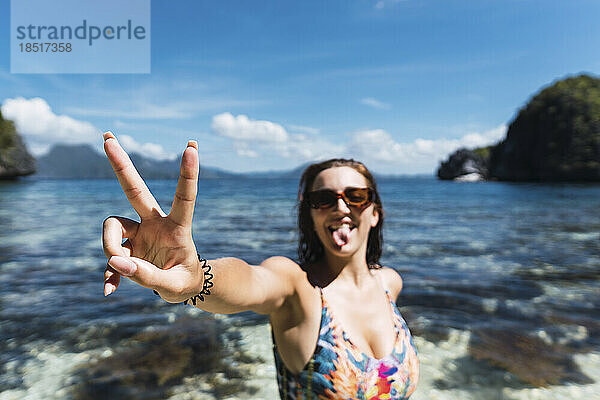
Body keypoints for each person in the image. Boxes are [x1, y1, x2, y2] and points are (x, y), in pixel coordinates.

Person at [101, 131, 419, 399]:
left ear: (375, 212)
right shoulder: (298, 287)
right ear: (310, 215)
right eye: (323, 199)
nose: (340, 206)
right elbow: (253, 282)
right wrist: (195, 278)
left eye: (356, 195)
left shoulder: (390, 283)